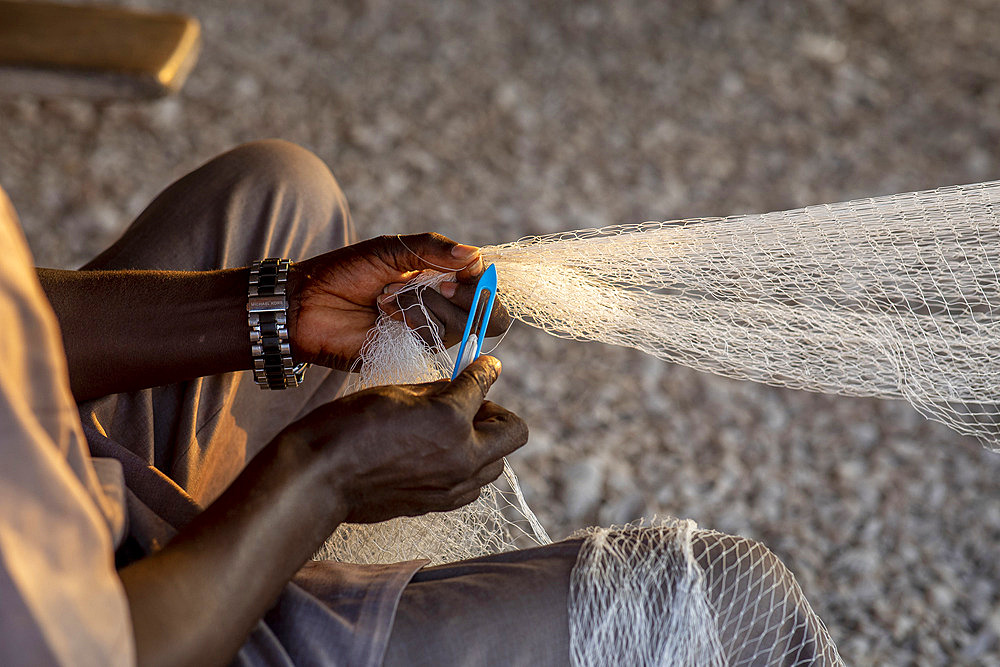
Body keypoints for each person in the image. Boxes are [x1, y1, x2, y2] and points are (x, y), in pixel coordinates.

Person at [1, 140, 840, 666]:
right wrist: (320, 477)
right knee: (728, 606)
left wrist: (279, 308)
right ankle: (235, 570)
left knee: (277, 193)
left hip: (64, 495)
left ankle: (193, 532)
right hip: (134, 629)